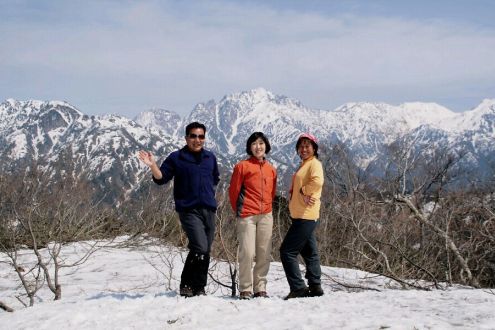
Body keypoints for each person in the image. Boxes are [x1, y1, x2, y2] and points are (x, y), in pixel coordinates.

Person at [138, 122, 220, 298]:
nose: (197, 140)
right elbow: (161, 178)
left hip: (209, 209)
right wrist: (153, 165)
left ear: (204, 139)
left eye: (200, 136)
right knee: (200, 245)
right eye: (193, 136)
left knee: (205, 250)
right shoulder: (177, 157)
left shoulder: (210, 158)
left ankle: (199, 287)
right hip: (189, 209)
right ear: (186, 138)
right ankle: (186, 284)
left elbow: (215, 179)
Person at [228, 132, 277, 300]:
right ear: (250, 147)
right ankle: (245, 288)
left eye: (261, 143)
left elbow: (273, 192)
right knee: (247, 252)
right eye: (255, 143)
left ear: (266, 146)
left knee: (264, 252)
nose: (258, 146)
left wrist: (269, 209)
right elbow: (233, 192)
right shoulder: (242, 166)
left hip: (266, 215)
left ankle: (260, 287)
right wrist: (239, 210)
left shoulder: (271, 169)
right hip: (247, 215)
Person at [280, 133, 325, 299]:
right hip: (301, 214)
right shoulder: (305, 164)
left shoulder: (315, 164)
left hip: (306, 215)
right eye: (301, 146)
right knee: (309, 252)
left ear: (314, 148)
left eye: (307, 146)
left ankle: (298, 287)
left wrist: (304, 191)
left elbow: (318, 181)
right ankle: (315, 285)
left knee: (287, 251)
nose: (304, 149)